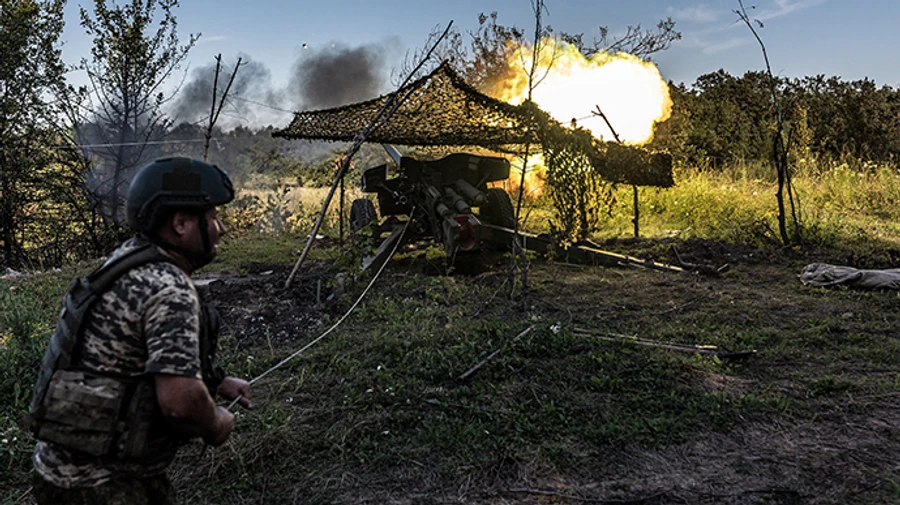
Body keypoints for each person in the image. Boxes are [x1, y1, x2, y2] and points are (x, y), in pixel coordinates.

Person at [26, 157, 253, 505]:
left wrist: (217, 383)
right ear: (180, 224)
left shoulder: (125, 259)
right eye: (212, 218)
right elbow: (181, 403)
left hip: (57, 473)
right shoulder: (169, 288)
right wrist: (215, 424)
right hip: (107, 485)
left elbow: (122, 355)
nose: (220, 229)